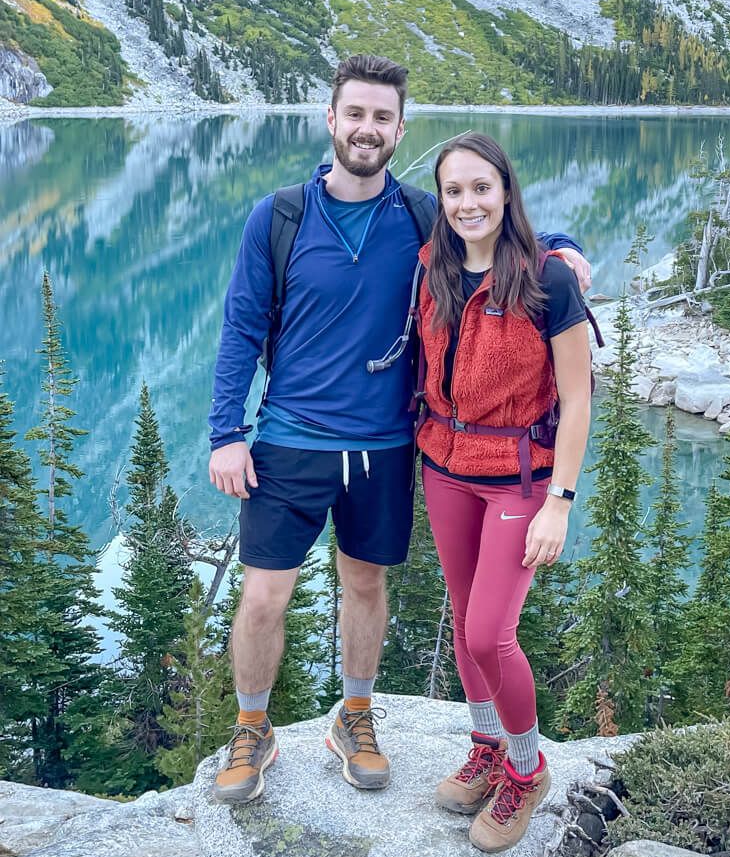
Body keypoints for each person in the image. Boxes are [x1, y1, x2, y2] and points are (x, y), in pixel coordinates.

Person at [206, 55, 591, 804]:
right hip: (288, 437)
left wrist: (563, 245)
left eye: (383, 118)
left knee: (365, 583)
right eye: (355, 114)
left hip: (385, 445)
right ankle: (252, 727)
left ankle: (355, 714)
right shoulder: (280, 217)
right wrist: (228, 431)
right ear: (330, 119)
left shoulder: (417, 214)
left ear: (399, 129)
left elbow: (490, 228)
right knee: (262, 597)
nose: (367, 129)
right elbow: (241, 326)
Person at [414, 133, 592, 853]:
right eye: (453, 191)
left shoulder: (550, 280)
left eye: (480, 188)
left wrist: (561, 502)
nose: (466, 203)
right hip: (445, 467)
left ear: (506, 190)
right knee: (463, 625)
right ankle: (487, 746)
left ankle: (527, 768)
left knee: (492, 633)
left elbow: (577, 401)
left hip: (520, 478)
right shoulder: (433, 267)